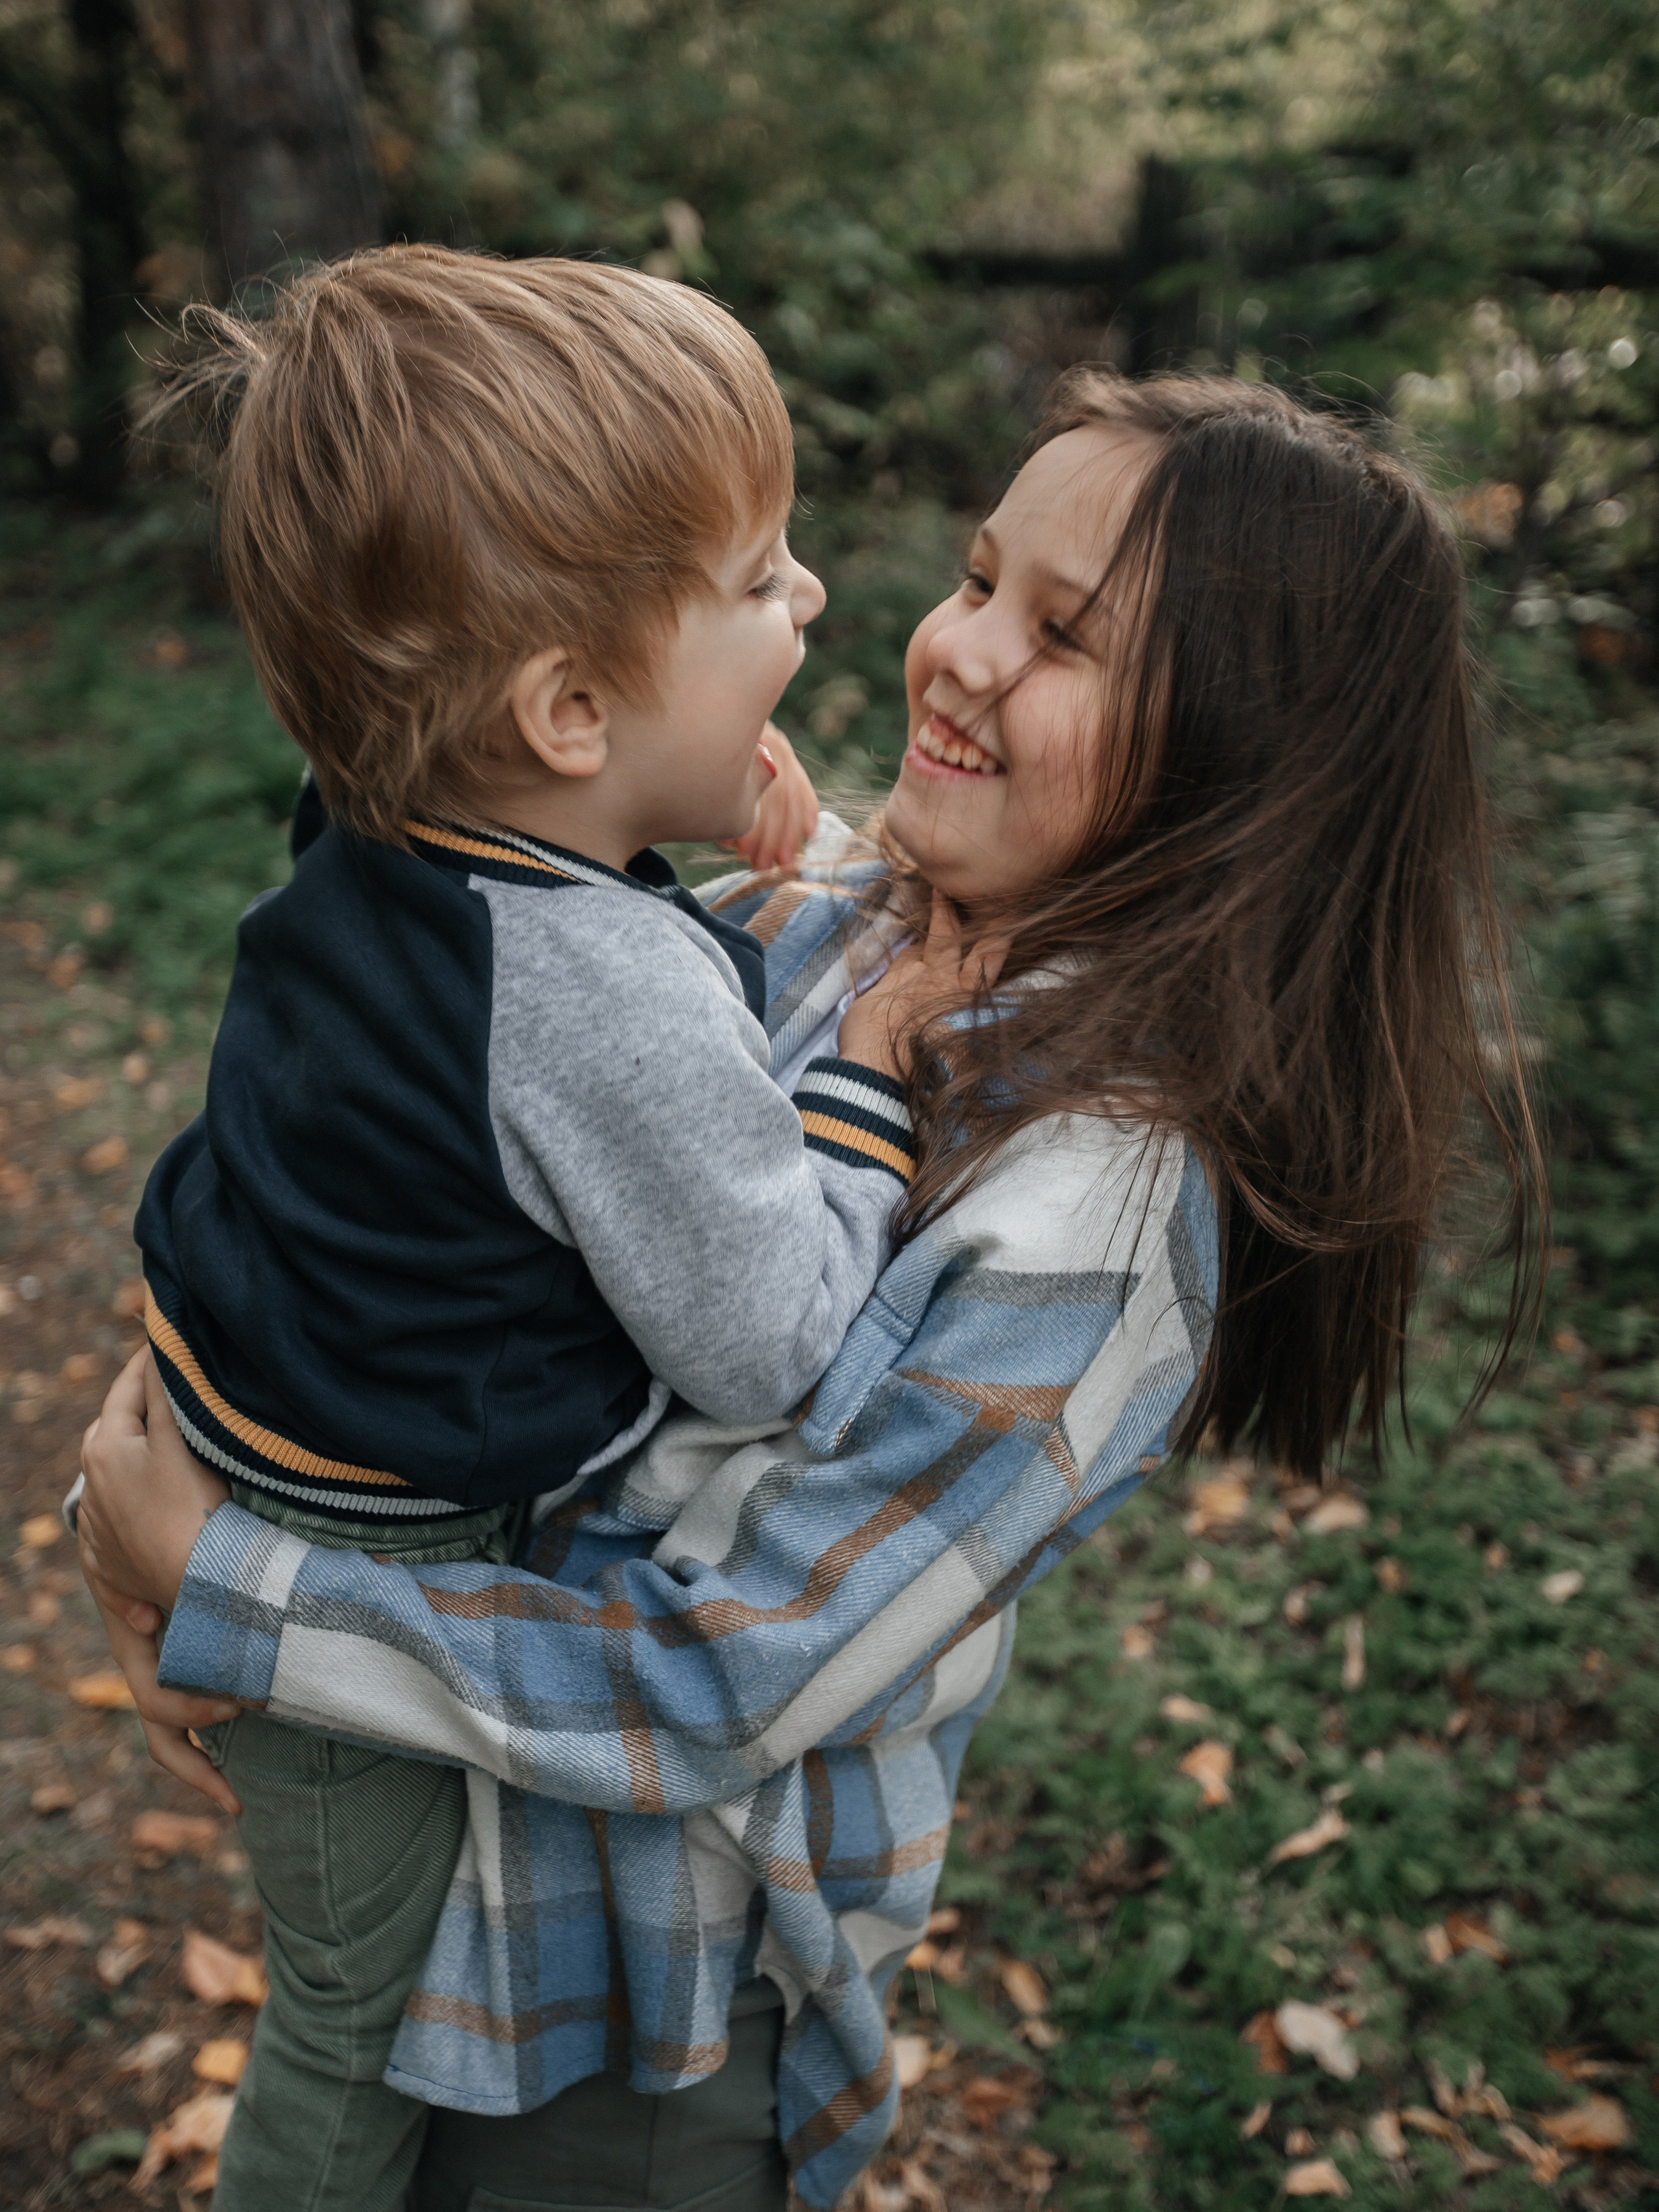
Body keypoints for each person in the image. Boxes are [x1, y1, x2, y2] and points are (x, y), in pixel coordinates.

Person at [78, 371, 1544, 2212]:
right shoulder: (838, 915)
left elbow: (734, 1672)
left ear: (1248, 757)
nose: (956, 651)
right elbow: (432, 1176)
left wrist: (240, 1592)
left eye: (1065, 634)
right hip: (449, 1849)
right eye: (977, 574)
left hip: (630, 2010)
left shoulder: (1099, 1209)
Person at [93, 243, 962, 2212]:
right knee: (347, 2020)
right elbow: (765, 1339)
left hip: (253, 1422)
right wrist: (869, 1080)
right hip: (340, 1576)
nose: (813, 599)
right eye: (758, 582)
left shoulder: (394, 815)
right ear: (568, 707)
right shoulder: (604, 995)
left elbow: (553, 948)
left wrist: (680, 795)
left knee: (353, 1986)